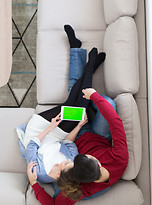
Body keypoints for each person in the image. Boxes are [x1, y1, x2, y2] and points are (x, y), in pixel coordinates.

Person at [16, 25, 106, 184]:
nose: (65, 161)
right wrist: (79, 126)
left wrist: (50, 127)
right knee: (76, 108)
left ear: (58, 175)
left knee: (76, 105)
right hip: (58, 136)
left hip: (39, 131)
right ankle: (89, 65)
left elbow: (31, 146)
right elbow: (68, 143)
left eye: (64, 164)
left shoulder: (40, 172)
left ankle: (90, 65)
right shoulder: (73, 165)